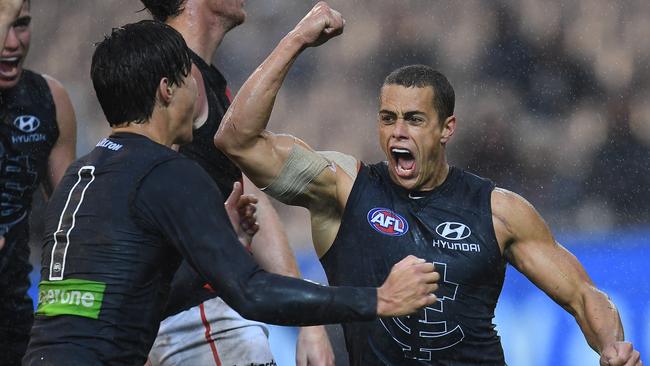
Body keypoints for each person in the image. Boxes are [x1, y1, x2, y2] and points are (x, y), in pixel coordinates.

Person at [214, 2, 643, 365]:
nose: (398, 132)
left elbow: (584, 295)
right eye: (388, 119)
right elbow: (237, 139)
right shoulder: (343, 190)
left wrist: (612, 346)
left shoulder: (498, 210)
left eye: (414, 119)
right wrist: (296, 40)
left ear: (447, 128)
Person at [22, 20, 439, 366]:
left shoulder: (82, 173)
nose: (195, 92)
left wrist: (224, 248)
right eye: (190, 79)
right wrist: (378, 299)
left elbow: (130, 296)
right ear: (168, 89)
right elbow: (253, 293)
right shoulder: (168, 172)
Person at [139, 1, 335, 364]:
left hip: (216, 315)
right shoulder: (167, 73)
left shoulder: (207, 79)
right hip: (195, 321)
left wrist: (308, 321)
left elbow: (249, 196)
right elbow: (130, 191)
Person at [0, 0, 76, 364]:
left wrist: (85, 327)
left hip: (14, 317)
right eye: (2, 26)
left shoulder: (48, 100)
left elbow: (73, 231)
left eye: (22, 24)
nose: (12, 42)